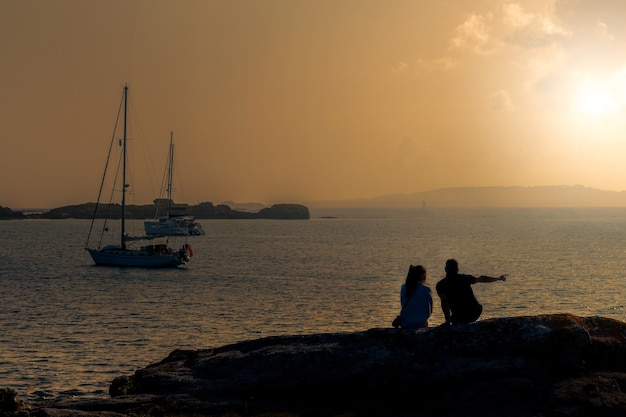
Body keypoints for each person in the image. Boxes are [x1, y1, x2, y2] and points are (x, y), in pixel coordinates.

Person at [435, 259, 507, 325]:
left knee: (454, 318)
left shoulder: (441, 285)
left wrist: (447, 321)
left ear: (445, 269)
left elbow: (444, 304)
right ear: (457, 269)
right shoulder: (464, 278)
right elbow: (481, 279)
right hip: (474, 312)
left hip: (458, 316)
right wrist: (498, 278)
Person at [394, 264, 433, 329]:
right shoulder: (426, 290)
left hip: (405, 323)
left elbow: (403, 304)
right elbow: (429, 311)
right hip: (421, 324)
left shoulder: (404, 288)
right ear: (423, 276)